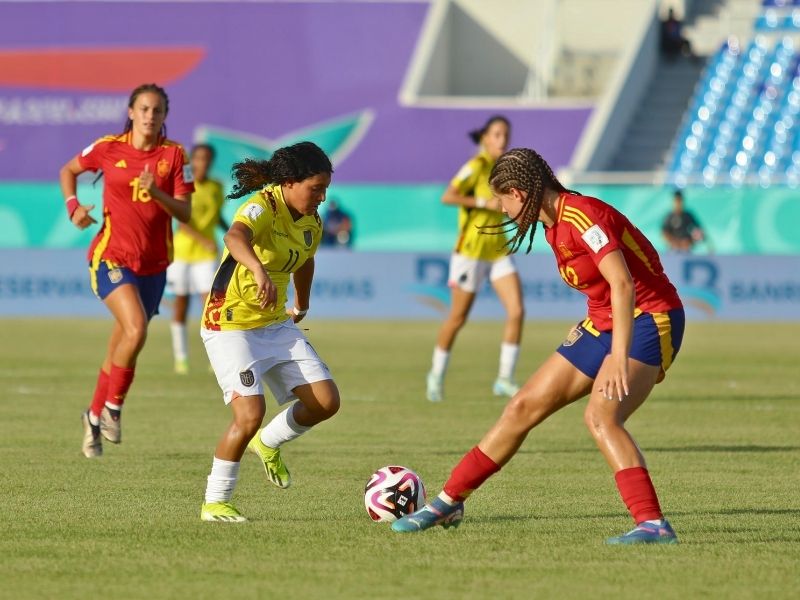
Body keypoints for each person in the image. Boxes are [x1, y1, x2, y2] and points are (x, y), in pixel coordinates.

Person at [394, 148, 685, 545]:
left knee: (601, 417)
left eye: (502, 200)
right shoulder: (551, 225)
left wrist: (618, 356)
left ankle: (653, 524)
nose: (502, 209)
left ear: (519, 192)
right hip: (603, 323)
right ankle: (448, 501)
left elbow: (622, 282)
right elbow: (601, 290)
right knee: (521, 406)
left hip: (650, 319)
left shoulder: (583, 214)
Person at [199, 141, 340, 523]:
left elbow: (306, 260)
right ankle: (215, 501)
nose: (322, 197)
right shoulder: (264, 205)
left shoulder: (312, 219)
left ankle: (268, 443)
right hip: (229, 322)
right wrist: (259, 270)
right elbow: (234, 238)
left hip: (274, 321)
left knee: (326, 402)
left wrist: (302, 302)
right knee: (249, 414)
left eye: (325, 188)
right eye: (316, 188)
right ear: (290, 183)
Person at [59, 83, 193, 459]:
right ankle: (113, 409)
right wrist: (73, 207)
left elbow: (186, 213)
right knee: (135, 329)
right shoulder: (108, 148)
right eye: (144, 109)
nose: (151, 116)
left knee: (122, 343)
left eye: (158, 110)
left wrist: (158, 194)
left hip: (153, 266)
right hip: (111, 256)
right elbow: (68, 170)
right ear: (131, 112)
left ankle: (93, 416)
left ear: (165, 116)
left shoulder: (174, 155)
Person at [426, 115, 525, 402]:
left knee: (517, 311)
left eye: (506, 134)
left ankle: (504, 379)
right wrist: (484, 203)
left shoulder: (506, 170)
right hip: (470, 252)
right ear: (485, 138)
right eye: (496, 134)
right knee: (457, 319)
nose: (502, 140)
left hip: (498, 251)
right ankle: (436, 374)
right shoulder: (476, 166)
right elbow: (448, 196)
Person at [166, 143, 229, 374]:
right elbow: (181, 221)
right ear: (193, 161)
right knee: (181, 305)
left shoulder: (216, 187)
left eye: (208, 159)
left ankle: (216, 358)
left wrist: (232, 232)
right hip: (182, 253)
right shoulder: (184, 186)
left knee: (211, 306)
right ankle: (180, 358)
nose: (203, 163)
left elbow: (217, 216)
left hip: (206, 255)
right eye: (199, 158)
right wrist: (203, 239)